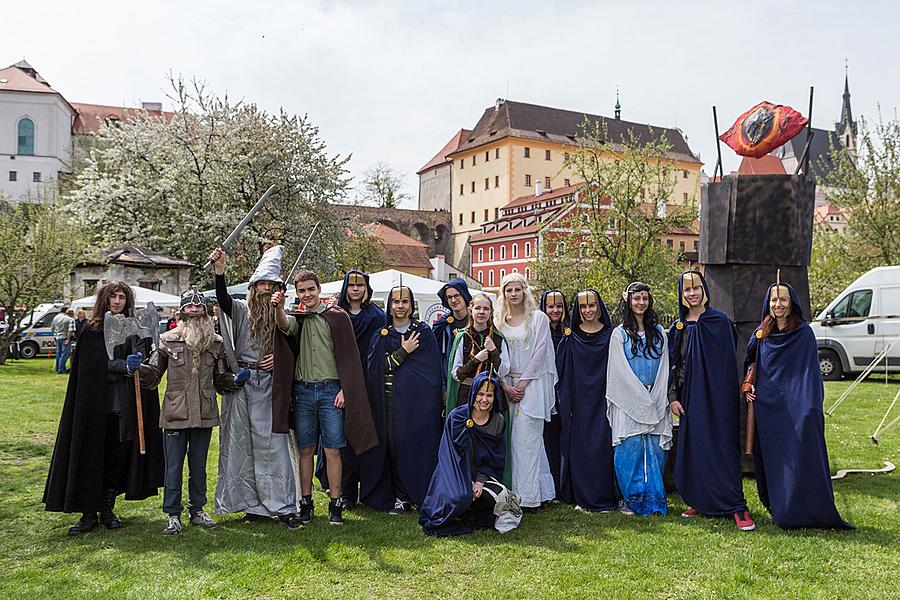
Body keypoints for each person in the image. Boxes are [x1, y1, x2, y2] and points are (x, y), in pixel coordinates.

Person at [43, 281, 164, 534]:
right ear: (105, 300)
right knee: (92, 455)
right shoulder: (92, 329)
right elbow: (91, 368)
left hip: (127, 405)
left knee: (117, 457)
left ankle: (107, 510)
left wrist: (141, 363)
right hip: (96, 405)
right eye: (113, 297)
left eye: (122, 297)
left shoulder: (134, 328)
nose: (118, 301)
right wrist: (122, 367)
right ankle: (89, 514)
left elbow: (148, 361)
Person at [743, 281, 853, 530]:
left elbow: (809, 373)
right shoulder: (762, 334)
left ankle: (810, 509)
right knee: (776, 459)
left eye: (783, 300)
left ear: (791, 303)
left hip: (798, 404)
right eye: (773, 300)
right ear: (767, 304)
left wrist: (809, 407)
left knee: (802, 453)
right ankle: (783, 509)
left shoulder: (803, 333)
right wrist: (748, 385)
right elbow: (751, 364)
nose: (778, 305)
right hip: (769, 407)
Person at [272, 269, 378, 526]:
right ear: (297, 293)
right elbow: (285, 325)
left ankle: (336, 503)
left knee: (332, 449)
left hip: (331, 391)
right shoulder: (299, 317)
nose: (307, 294)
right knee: (306, 449)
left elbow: (349, 358)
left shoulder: (336, 316)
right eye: (302, 290)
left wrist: (345, 388)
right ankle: (306, 503)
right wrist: (277, 307)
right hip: (303, 391)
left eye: (311, 289)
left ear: (319, 289)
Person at [138, 288, 249, 534]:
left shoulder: (216, 343)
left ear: (207, 311)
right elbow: (153, 375)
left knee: (198, 464)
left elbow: (220, 380)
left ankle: (197, 509)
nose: (195, 310)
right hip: (175, 412)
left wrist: (235, 380)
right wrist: (140, 369)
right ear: (183, 311)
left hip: (205, 410)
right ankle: (173, 513)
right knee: (174, 465)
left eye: (199, 307)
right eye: (190, 307)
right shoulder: (167, 340)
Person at [208, 245, 301, 528]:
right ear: (252, 287)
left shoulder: (280, 313)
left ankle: (284, 507)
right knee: (243, 447)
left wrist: (280, 358)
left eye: (270, 285)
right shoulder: (239, 310)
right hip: (242, 386)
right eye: (260, 284)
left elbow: (293, 340)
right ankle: (254, 507)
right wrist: (220, 271)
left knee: (274, 448)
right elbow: (222, 300)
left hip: (271, 389)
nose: (264, 289)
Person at [668, 271, 754, 530]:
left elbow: (728, 363)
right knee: (697, 449)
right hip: (690, 398)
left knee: (722, 447)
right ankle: (702, 500)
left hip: (718, 398)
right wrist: (673, 396)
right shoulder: (678, 327)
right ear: (681, 295)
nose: (691, 293)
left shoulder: (720, 322)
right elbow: (674, 364)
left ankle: (736, 505)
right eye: (686, 290)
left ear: (704, 290)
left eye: (696, 288)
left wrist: (722, 395)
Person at [360, 283, 442, 514]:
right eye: (396, 301)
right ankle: (399, 495)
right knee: (393, 449)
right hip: (388, 406)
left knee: (415, 449)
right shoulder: (382, 334)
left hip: (417, 407)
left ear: (411, 304)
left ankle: (417, 494)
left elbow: (430, 372)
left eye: (404, 301)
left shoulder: (422, 332)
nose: (400, 306)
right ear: (389, 305)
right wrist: (403, 352)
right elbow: (376, 369)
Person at [419, 373, 522, 536]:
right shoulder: (457, 417)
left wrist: (480, 482)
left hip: (483, 476)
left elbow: (495, 458)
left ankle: (471, 513)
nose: (484, 400)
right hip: (455, 473)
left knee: (497, 495)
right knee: (460, 496)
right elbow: (450, 455)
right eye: (480, 394)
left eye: (489, 395)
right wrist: (466, 481)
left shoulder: (498, 421)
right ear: (473, 393)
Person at [315, 270, 385, 508]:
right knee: (340, 437)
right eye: (351, 285)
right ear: (346, 287)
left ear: (366, 288)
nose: (355, 289)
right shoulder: (335, 314)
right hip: (338, 382)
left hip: (367, 384)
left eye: (360, 285)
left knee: (365, 435)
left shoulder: (377, 316)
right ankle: (345, 492)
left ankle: (369, 489)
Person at [606, 281, 672, 516]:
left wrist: (656, 395)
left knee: (655, 449)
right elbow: (618, 371)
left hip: (655, 396)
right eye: (636, 298)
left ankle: (654, 499)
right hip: (628, 400)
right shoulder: (619, 334)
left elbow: (665, 367)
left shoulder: (660, 333)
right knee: (629, 448)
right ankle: (631, 499)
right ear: (628, 301)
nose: (641, 303)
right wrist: (639, 397)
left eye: (644, 298)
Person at [495, 273, 557, 509]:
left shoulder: (538, 318)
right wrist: (505, 386)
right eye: (509, 290)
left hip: (531, 386)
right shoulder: (498, 320)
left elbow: (540, 352)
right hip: (506, 386)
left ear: (524, 291)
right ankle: (533, 491)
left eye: (517, 289)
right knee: (512, 442)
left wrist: (521, 385)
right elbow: (496, 356)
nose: (513, 294)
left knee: (528, 441)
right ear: (504, 293)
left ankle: (528, 497)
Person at [555, 290, 618, 512]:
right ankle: (582, 496)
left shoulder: (612, 336)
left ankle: (605, 495)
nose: (588, 310)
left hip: (605, 401)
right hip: (579, 403)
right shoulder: (570, 338)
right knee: (581, 447)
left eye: (592, 306)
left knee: (603, 446)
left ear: (599, 307)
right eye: (583, 307)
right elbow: (562, 375)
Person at [447, 292, 511, 412]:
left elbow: (503, 372)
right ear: (470, 311)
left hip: (490, 396)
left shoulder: (498, 338)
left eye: (486, 309)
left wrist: (494, 351)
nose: (481, 312)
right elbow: (456, 374)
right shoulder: (462, 337)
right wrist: (476, 360)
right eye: (478, 308)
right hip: (467, 395)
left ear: (491, 312)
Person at [540, 289, 568, 496]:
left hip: (566, 391)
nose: (555, 310)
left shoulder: (570, 332)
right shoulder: (539, 331)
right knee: (547, 438)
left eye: (559, 306)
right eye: (551, 306)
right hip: (544, 390)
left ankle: (564, 483)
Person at [432, 278, 472, 395]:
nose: (453, 300)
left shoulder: (478, 320)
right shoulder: (442, 324)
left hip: (474, 380)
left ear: (464, 295)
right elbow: (437, 356)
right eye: (449, 297)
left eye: (457, 295)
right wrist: (443, 386)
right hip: (450, 381)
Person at [51, 306, 75, 374]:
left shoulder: (59, 319)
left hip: (58, 336)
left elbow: (53, 328)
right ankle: (61, 369)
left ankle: (57, 367)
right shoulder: (71, 320)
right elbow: (70, 330)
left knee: (59, 353)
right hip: (65, 337)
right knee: (65, 354)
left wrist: (56, 335)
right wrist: (68, 338)